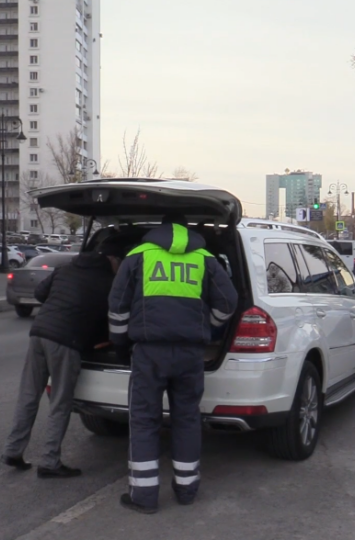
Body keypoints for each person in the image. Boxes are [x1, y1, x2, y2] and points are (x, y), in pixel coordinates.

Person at [108, 213, 238, 513]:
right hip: (190, 353)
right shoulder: (205, 259)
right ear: (189, 232)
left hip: (148, 352)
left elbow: (117, 306)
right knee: (187, 418)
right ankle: (187, 490)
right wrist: (209, 325)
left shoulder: (139, 256)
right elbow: (228, 302)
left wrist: (119, 343)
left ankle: (144, 496)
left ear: (158, 230)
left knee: (143, 420)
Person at [1, 238, 127, 478]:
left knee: (28, 395)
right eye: (120, 263)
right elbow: (109, 321)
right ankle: (49, 462)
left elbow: (40, 293)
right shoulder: (109, 283)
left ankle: (12, 451)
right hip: (66, 342)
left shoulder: (67, 268)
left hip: (39, 333)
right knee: (60, 402)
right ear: (113, 260)